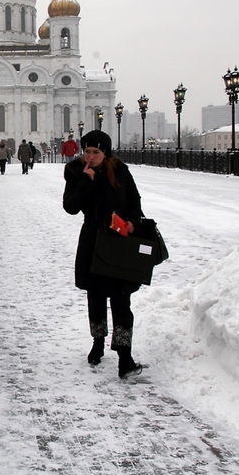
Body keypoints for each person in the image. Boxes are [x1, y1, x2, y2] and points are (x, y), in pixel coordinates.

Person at [62, 130, 145, 379]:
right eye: (86, 151)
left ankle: (125, 357)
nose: (90, 156)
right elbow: (70, 207)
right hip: (93, 239)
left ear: (105, 152)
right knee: (96, 295)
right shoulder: (76, 172)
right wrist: (86, 181)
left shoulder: (120, 171)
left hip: (118, 240)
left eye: (96, 152)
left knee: (121, 299)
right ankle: (97, 344)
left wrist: (131, 222)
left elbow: (134, 202)